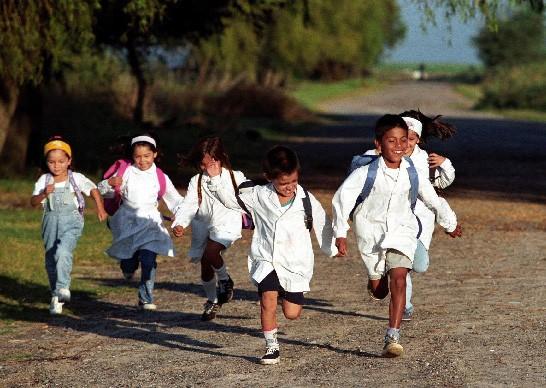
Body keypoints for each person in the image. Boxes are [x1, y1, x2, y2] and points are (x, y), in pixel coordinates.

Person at [332, 114, 462, 357]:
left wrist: (449, 222)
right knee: (380, 290)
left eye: (404, 140)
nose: (399, 146)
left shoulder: (412, 172)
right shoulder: (365, 173)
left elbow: (433, 198)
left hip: (403, 232)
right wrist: (340, 233)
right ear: (378, 144)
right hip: (371, 235)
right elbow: (342, 199)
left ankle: (393, 335)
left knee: (400, 278)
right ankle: (374, 280)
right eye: (392, 141)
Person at [206, 145, 338, 365]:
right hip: (266, 258)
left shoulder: (306, 198)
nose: (289, 187)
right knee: (267, 300)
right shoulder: (258, 195)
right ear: (269, 177)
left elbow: (323, 223)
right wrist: (215, 180)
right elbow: (230, 201)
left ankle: (286, 293)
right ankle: (271, 346)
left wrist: (334, 245)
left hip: (295, 263)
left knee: (292, 313)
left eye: (293, 182)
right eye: (283, 183)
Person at [98, 134, 184, 310]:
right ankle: (127, 267)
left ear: (154, 154)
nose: (142, 160)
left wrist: (180, 218)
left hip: (150, 223)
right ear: (132, 156)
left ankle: (146, 297)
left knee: (148, 258)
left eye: (146, 156)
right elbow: (102, 190)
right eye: (138, 156)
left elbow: (175, 199)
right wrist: (110, 182)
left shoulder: (160, 176)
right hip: (127, 221)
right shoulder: (126, 171)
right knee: (129, 259)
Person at [171, 137, 247, 321]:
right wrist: (180, 222)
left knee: (211, 253)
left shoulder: (235, 177)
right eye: (201, 165)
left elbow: (244, 199)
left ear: (219, 158)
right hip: (203, 226)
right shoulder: (196, 180)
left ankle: (225, 280)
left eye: (207, 164)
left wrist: (216, 180)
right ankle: (213, 300)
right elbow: (189, 204)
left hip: (227, 224)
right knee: (206, 265)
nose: (204, 169)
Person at [31, 136, 108, 315]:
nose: (56, 166)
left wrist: (100, 208)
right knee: (51, 259)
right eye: (51, 162)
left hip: (71, 222)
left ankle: (63, 287)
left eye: (61, 161)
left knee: (63, 252)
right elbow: (33, 202)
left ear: (69, 161)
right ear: (46, 162)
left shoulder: (76, 178)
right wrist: (43, 194)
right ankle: (56, 296)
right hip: (50, 222)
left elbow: (94, 190)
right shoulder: (44, 180)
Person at [398, 110, 457, 321]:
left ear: (419, 139)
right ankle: (403, 305)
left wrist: (444, 164)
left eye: (411, 139)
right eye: (401, 138)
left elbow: (442, 184)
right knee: (400, 267)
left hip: (421, 223)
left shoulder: (426, 161)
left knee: (418, 265)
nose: (405, 144)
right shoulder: (385, 157)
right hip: (393, 222)